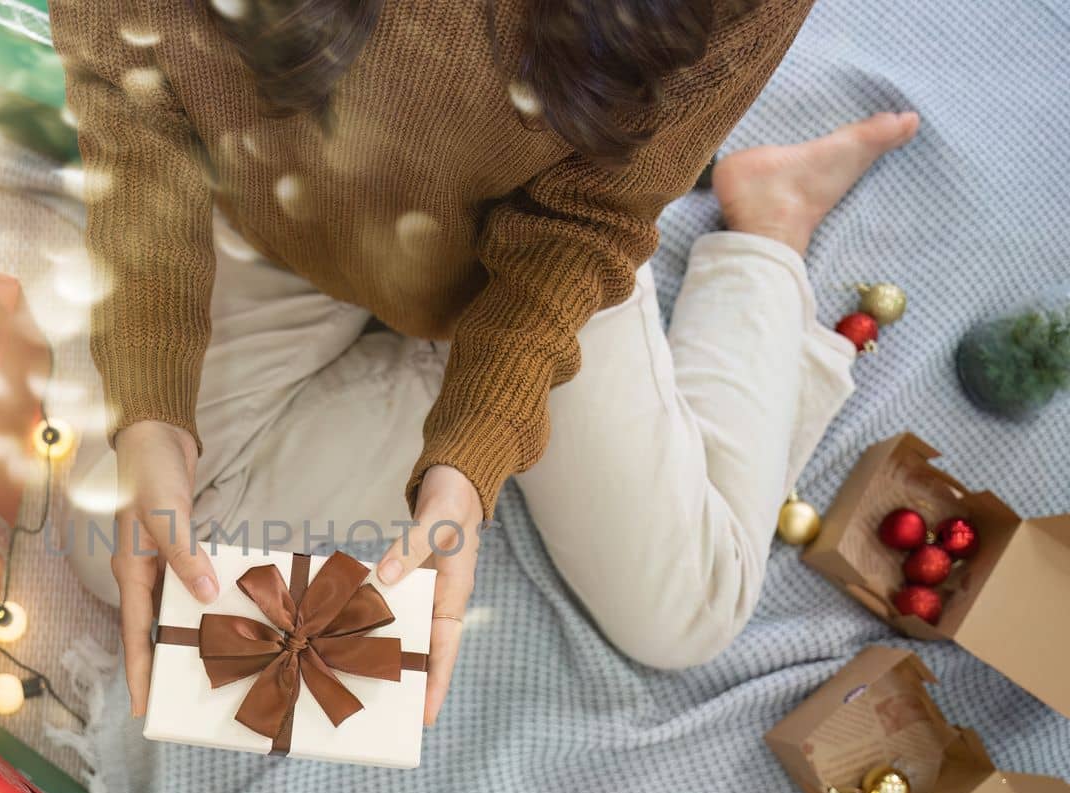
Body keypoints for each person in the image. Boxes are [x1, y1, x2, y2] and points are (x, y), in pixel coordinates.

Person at [48, 0, 920, 721]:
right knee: (116, 545)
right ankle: (459, 378)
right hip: (273, 216)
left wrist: (478, 439)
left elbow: (590, 219)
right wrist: (152, 403)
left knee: (686, 615)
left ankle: (770, 232)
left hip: (525, 254)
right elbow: (129, 99)